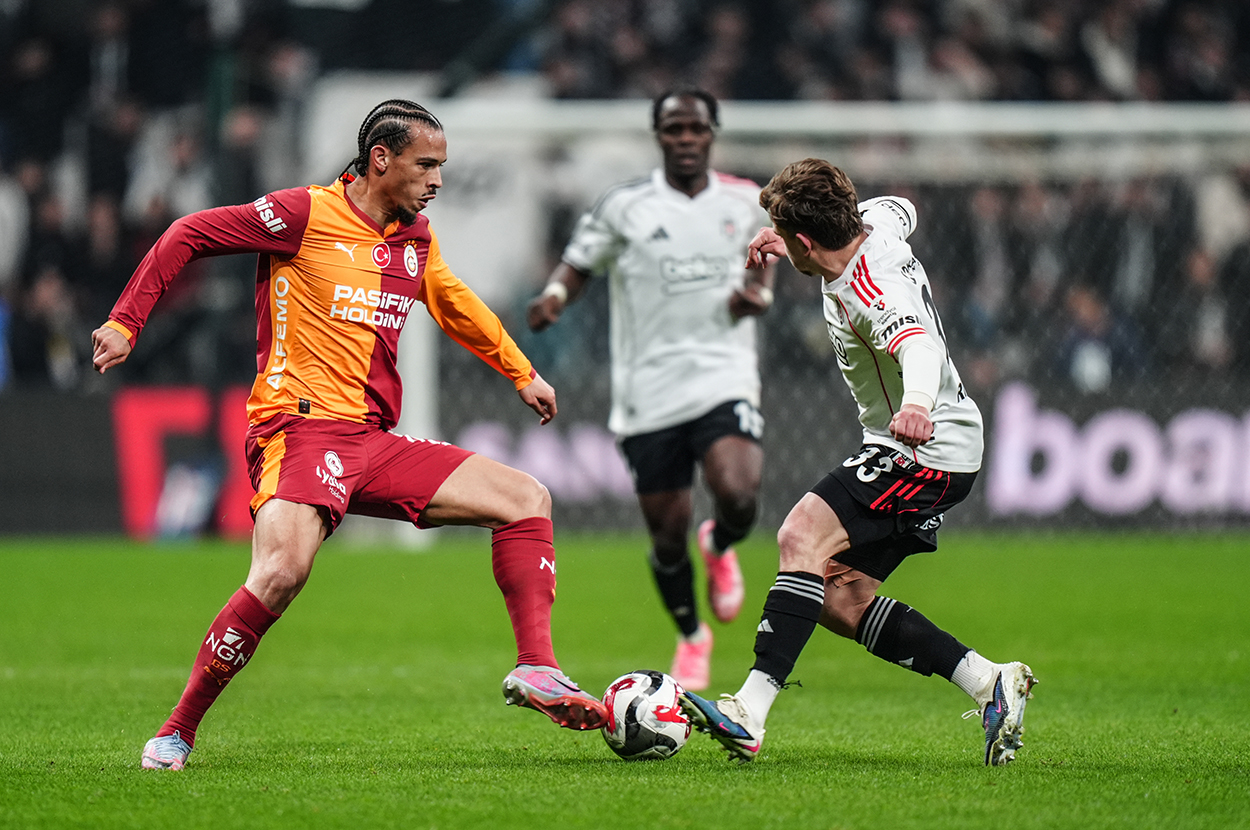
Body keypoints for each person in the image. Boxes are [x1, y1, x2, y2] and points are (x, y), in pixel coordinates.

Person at [90, 99, 608, 771]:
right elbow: (187, 232)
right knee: (282, 572)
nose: (438, 181)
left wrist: (521, 372)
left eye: (442, 168)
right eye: (427, 165)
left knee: (526, 497)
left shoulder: (416, 239)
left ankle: (537, 667)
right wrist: (127, 322)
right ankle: (177, 728)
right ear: (381, 160)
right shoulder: (303, 214)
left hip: (373, 442)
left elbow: (454, 302)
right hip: (299, 427)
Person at [678, 159, 1037, 766]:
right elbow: (904, 207)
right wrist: (783, 235)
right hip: (927, 446)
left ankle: (748, 711)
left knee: (800, 535)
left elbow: (916, 342)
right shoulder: (871, 222)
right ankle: (987, 680)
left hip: (925, 445)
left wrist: (918, 404)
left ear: (807, 241)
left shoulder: (873, 289)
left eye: (783, 232)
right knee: (837, 598)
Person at [526, 89, 776, 691]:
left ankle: (719, 542)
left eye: (695, 127)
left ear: (712, 131)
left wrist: (759, 293)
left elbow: (767, 253)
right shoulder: (627, 206)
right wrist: (556, 298)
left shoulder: (744, 200)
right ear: (658, 135)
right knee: (666, 535)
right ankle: (692, 635)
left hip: (723, 373)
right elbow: (579, 262)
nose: (685, 138)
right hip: (647, 390)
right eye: (673, 129)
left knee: (738, 492)